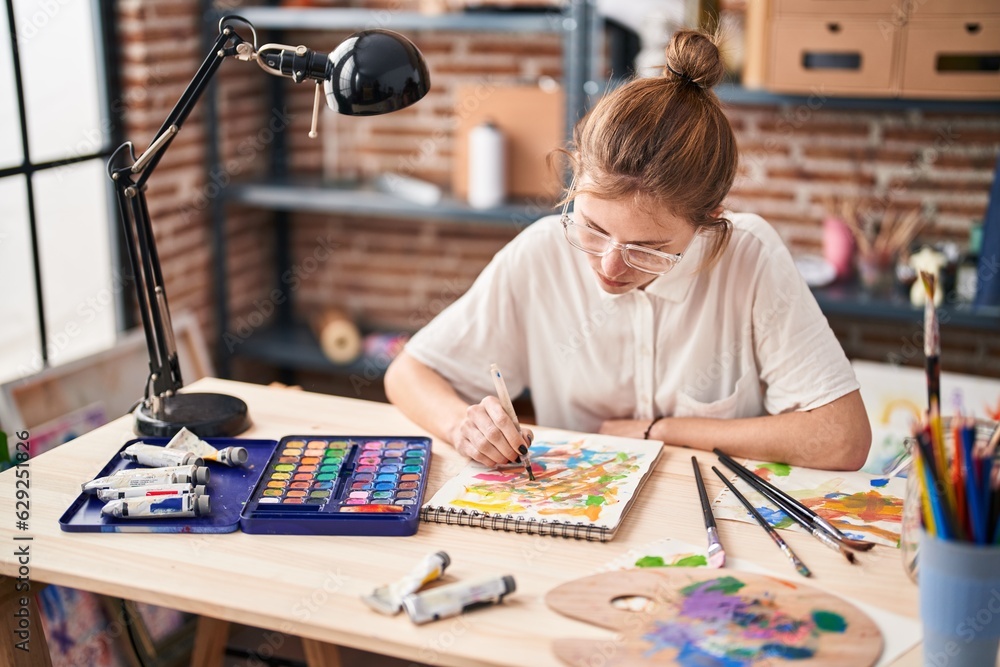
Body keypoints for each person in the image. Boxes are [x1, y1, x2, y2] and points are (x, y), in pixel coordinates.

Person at [384, 30, 872, 471]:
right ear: (576, 176)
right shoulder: (542, 253)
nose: (609, 266)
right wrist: (460, 426)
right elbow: (409, 372)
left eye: (648, 249)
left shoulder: (749, 255)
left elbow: (843, 439)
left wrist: (659, 433)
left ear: (709, 221)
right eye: (593, 228)